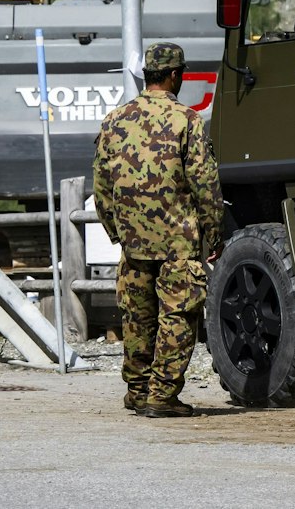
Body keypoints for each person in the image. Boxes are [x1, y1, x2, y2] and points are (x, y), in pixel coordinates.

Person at [93, 43, 222, 418]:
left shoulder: (115, 120)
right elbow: (204, 182)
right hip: (177, 241)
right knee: (177, 317)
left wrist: (116, 231)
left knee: (137, 318)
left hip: (133, 242)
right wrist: (213, 234)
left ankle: (137, 391)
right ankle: (162, 395)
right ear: (175, 75)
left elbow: (101, 182)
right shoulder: (187, 120)